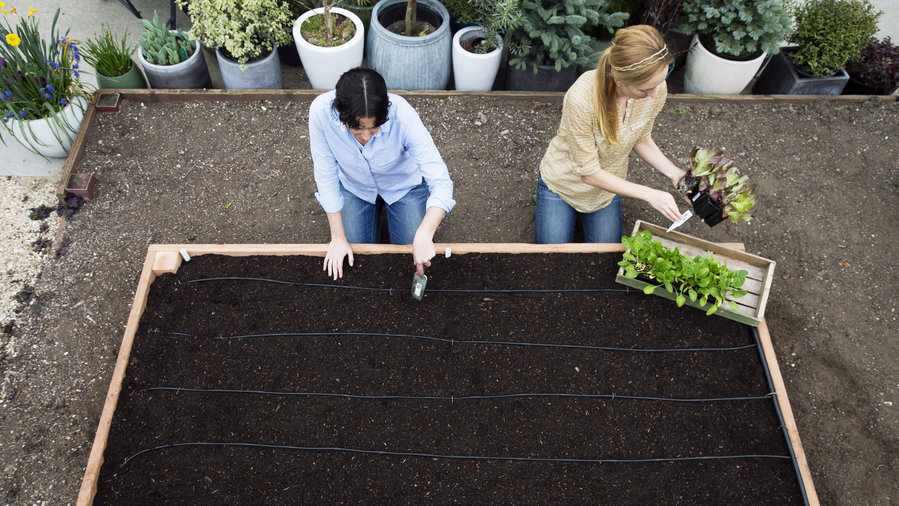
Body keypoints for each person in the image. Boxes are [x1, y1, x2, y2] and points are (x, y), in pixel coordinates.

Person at [535, 25, 685, 244]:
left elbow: (641, 137)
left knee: (608, 260)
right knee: (550, 260)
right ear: (620, 80)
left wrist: (675, 174)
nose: (654, 94)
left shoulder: (656, 88)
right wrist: (650, 194)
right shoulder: (581, 99)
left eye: (659, 83)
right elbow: (589, 174)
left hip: (606, 191)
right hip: (563, 185)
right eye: (645, 89)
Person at [309, 68, 455, 279]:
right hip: (355, 187)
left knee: (409, 253)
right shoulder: (321, 113)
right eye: (357, 130)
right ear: (341, 114)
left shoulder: (402, 114)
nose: (366, 137)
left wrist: (424, 234)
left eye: (374, 129)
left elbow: (441, 181)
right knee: (355, 255)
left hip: (403, 186)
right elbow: (326, 173)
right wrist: (338, 237)